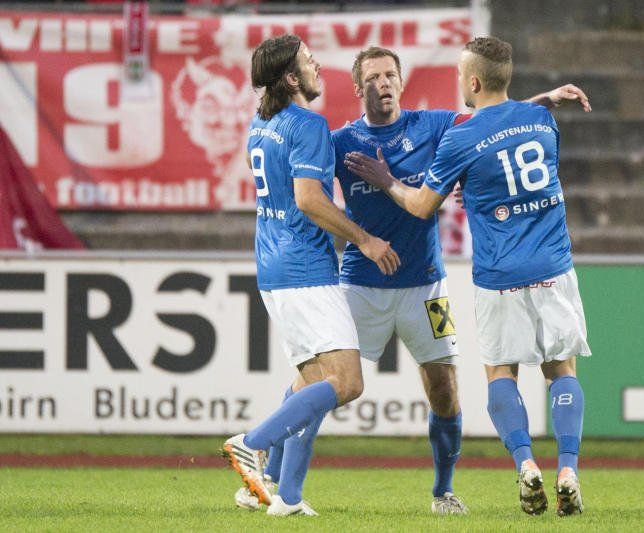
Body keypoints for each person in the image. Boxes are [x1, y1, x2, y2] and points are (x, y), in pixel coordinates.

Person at [344, 36, 590, 517]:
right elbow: (510, 143)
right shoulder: (543, 120)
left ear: (473, 82)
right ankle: (567, 470)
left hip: (498, 274)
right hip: (554, 266)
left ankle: (525, 465)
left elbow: (422, 205)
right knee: (561, 370)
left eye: (460, 75)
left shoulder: (460, 139)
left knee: (500, 372)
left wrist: (387, 180)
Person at [222, 34, 400, 517]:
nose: (316, 64)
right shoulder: (308, 124)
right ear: (290, 78)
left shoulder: (262, 124)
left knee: (311, 384)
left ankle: (285, 495)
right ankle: (252, 443)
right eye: (307, 60)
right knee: (347, 382)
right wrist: (365, 240)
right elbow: (308, 199)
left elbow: (266, 180)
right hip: (305, 269)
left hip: (273, 267)